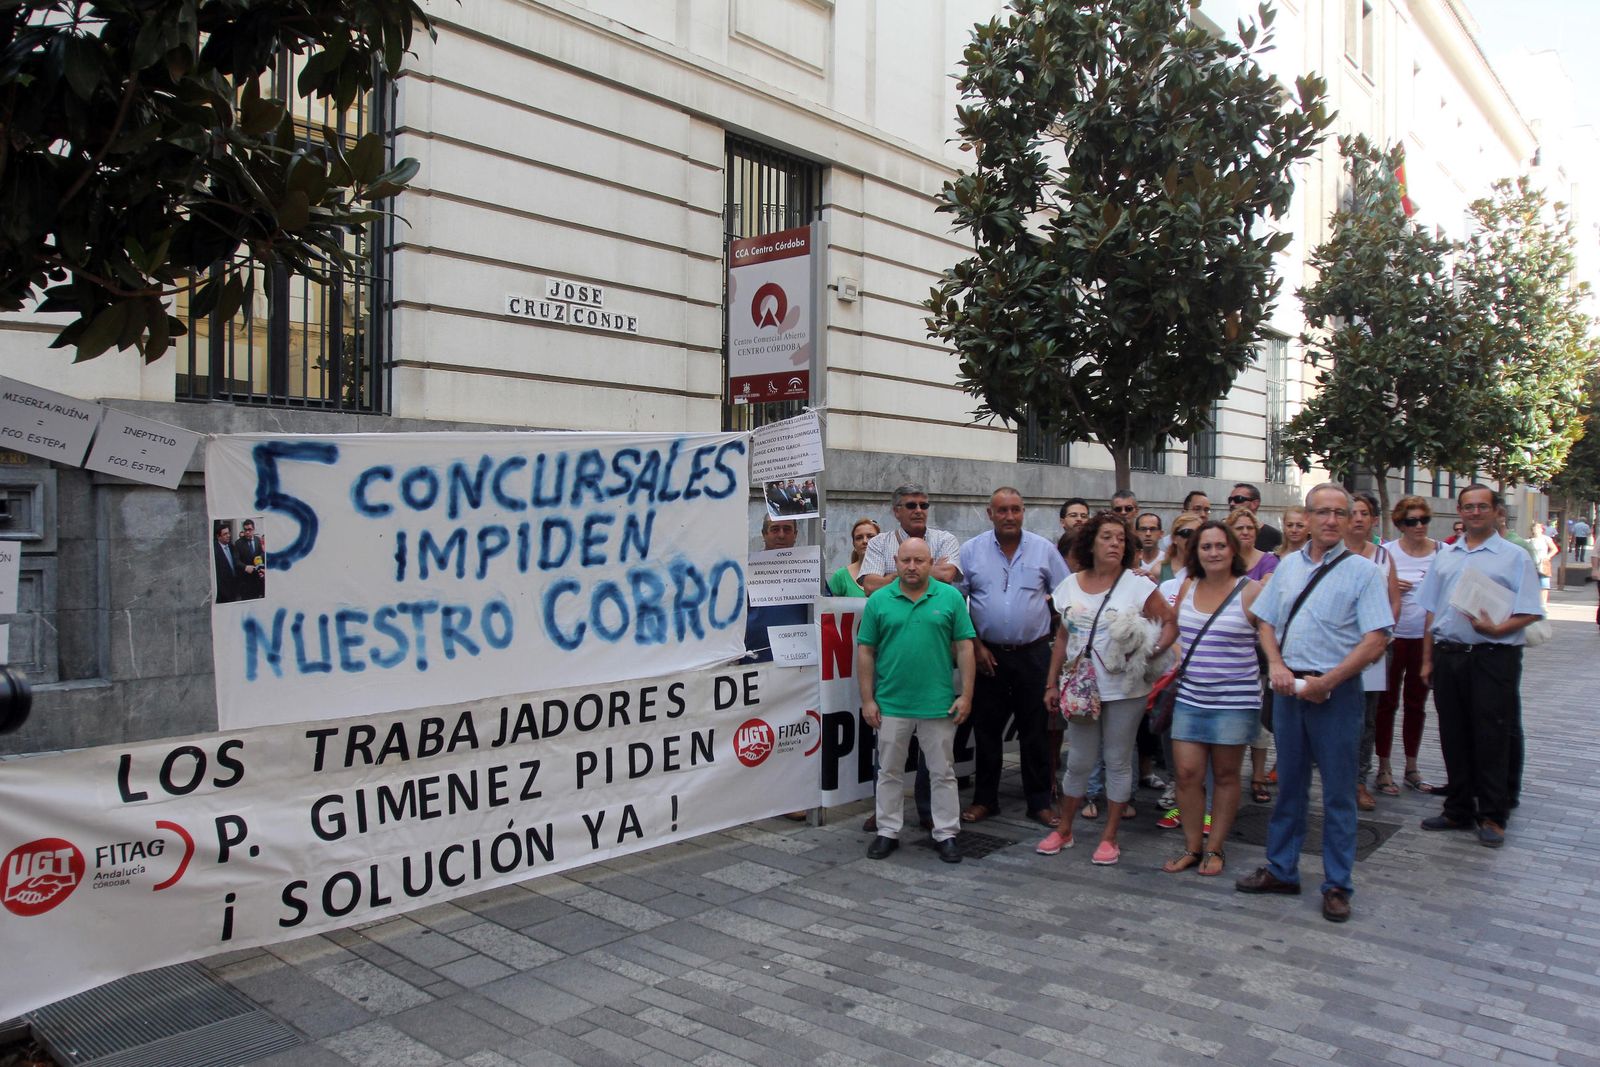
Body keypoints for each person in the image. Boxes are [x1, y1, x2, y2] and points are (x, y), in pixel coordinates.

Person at [1236, 483, 1392, 923]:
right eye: (1321, 512)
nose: (1330, 520)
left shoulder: (1364, 573)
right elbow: (1265, 622)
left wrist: (1332, 680)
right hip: (1289, 692)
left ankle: (1338, 884)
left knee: (1340, 794)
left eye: (1339, 513)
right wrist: (1276, 666)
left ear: (1348, 520)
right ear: (1307, 517)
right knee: (1289, 786)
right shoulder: (1286, 568)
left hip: (1336, 695)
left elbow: (1376, 638)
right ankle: (1282, 869)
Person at [1035, 513, 1176, 864]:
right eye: (1107, 537)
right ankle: (1064, 829)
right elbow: (1063, 635)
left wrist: (1150, 653)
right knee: (1079, 760)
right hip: (1081, 688)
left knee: (1116, 760)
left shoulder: (1138, 585)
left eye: (1120, 539)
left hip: (1125, 688)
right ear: (1091, 543)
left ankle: (1110, 837)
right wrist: (1052, 683)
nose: (1115, 543)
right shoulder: (1068, 586)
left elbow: (1170, 622)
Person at [1417, 485, 1544, 849]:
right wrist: (1427, 659)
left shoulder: (1513, 557)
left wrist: (1497, 629)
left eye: (1482, 507)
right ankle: (1458, 807)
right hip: (1449, 655)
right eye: (1468, 507)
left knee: (1491, 735)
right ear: (1459, 511)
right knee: (1452, 734)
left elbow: (1531, 609)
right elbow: (1430, 610)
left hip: (1493, 656)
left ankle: (1492, 814)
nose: (1474, 512)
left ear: (1495, 511)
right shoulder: (1445, 556)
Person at [858, 538, 977, 864]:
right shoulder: (879, 600)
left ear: (931, 562)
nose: (912, 567)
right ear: (895, 561)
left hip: (937, 703)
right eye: (906, 560)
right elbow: (865, 651)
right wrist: (867, 700)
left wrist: (966, 695)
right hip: (891, 703)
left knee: (942, 772)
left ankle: (947, 833)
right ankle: (888, 831)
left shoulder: (950, 597)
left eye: (919, 561)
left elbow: (965, 647)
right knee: (890, 771)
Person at [957, 488, 1069, 827]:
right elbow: (955, 602)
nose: (1009, 516)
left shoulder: (1044, 550)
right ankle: (985, 800)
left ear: (1024, 512)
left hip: (1033, 654)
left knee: (1035, 730)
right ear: (989, 514)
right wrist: (975, 646)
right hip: (987, 655)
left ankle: (1039, 802)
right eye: (1002, 510)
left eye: (1016, 510)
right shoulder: (971, 551)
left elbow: (1068, 597)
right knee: (986, 730)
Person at [1160, 521, 1265, 878]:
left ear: (1233, 550)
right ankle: (1192, 846)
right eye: (1206, 547)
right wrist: (1159, 653)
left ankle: (1215, 847)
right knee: (1187, 774)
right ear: (1196, 552)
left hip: (1235, 700)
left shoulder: (1251, 590)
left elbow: (1269, 638)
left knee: (1225, 775)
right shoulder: (1188, 584)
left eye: (1220, 546)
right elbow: (1173, 628)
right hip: (1191, 695)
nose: (1214, 553)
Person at [1378, 496, 1441, 795]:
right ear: (1399, 524)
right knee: (1386, 703)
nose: (1418, 526)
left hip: (1426, 638)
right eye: (1410, 521)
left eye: (1423, 520)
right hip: (1394, 636)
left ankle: (1412, 767)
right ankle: (1384, 767)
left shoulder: (1443, 552)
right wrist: (1391, 584)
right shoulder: (1387, 553)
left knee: (1417, 704)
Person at [1347, 491, 1401, 813]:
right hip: (1335, 650)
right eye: (1352, 512)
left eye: (1364, 513)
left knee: (1366, 719)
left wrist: (1382, 636)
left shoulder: (1382, 556)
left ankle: (1358, 781)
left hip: (1374, 650)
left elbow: (1394, 600)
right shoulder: (1330, 555)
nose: (1357, 518)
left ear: (1373, 519)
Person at [861, 485, 962, 593]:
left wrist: (891, 576)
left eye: (923, 506)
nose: (918, 511)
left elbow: (945, 575)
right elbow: (871, 586)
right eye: (911, 506)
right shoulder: (878, 543)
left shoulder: (945, 540)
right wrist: (930, 570)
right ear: (896, 511)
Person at [744, 517, 808, 663]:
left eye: (787, 529)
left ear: (795, 534)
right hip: (754, 659)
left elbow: (825, 612)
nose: (781, 535)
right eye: (774, 529)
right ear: (764, 534)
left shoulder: (810, 569)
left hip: (799, 660)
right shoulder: (746, 569)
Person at [829, 518, 881, 597]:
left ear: (881, 541)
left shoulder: (891, 574)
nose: (865, 541)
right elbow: (828, 607)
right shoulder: (841, 576)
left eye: (870, 536)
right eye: (859, 538)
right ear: (854, 544)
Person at [1228, 508, 1279, 581]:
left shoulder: (1269, 560)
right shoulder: (1223, 561)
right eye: (1239, 528)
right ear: (1229, 532)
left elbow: (1267, 587)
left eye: (1250, 528)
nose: (1245, 532)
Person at [1229, 483, 1281, 552]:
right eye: (1230, 500)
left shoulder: (1275, 536)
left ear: (1255, 504)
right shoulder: (1223, 532)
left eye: (1238, 499)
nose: (1232, 503)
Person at [233, 519, 266, 601]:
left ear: (253, 529)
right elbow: (236, 561)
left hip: (259, 579)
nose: (247, 532)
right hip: (246, 582)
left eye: (249, 530)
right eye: (245, 530)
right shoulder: (238, 543)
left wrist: (260, 557)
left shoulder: (258, 540)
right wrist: (245, 567)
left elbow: (263, 553)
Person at [1529, 522, 1558, 607]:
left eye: (1538, 528)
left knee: (1544, 584)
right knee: (1532, 584)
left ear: (1542, 529)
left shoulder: (1546, 539)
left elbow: (1554, 549)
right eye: (1534, 529)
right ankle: (1534, 602)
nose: (1536, 530)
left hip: (1544, 563)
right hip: (1533, 564)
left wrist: (1548, 557)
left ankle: (1543, 604)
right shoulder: (1530, 540)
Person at [213, 523, 240, 604]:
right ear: (218, 536)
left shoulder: (232, 547)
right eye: (225, 534)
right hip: (223, 593)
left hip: (235, 588)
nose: (228, 535)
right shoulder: (214, 551)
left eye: (228, 533)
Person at [1133, 512, 1164, 577]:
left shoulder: (1167, 561)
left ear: (1161, 534)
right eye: (1143, 529)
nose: (1148, 534)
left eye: (1153, 529)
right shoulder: (1130, 561)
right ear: (1136, 533)